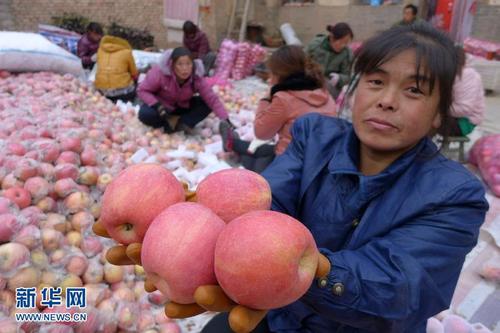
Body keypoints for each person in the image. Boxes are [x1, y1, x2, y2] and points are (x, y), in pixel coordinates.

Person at [103, 23, 489, 333]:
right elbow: (269, 201)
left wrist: (317, 272)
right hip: (279, 310)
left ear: (440, 114)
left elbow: (405, 287)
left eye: (414, 90)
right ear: (353, 91)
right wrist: (202, 224)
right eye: (376, 81)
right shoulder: (315, 137)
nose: (387, 99)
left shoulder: (456, 194)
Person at [219, 45, 337, 173]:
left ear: (279, 75)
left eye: (272, 74)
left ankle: (234, 147)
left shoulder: (284, 99)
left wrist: (266, 99)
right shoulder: (325, 93)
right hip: (320, 160)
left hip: (294, 166)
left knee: (258, 161)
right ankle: (233, 144)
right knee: (269, 150)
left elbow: (261, 133)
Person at [137, 47, 230, 133]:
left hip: (182, 106)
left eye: (188, 64)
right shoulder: (160, 73)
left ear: (192, 64)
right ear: (173, 64)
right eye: (180, 64)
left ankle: (181, 123)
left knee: (206, 104)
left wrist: (225, 119)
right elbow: (142, 90)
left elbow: (211, 98)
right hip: (162, 107)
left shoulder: (196, 77)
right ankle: (168, 124)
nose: (185, 69)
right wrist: (156, 104)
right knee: (145, 114)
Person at [305, 22, 354, 98]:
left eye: (346, 43)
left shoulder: (346, 53)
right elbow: (301, 62)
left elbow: (348, 76)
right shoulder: (315, 45)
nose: (343, 45)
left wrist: (339, 78)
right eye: (341, 42)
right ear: (332, 37)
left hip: (330, 88)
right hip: (310, 80)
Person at [448, 46, 485, 136]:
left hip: (464, 123)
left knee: (423, 121)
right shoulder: (453, 72)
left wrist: (437, 110)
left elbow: (464, 109)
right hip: (453, 116)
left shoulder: (468, 75)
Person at [94, 35, 139, 103]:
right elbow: (134, 74)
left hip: (102, 91)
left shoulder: (100, 50)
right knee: (137, 86)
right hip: (121, 93)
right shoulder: (127, 52)